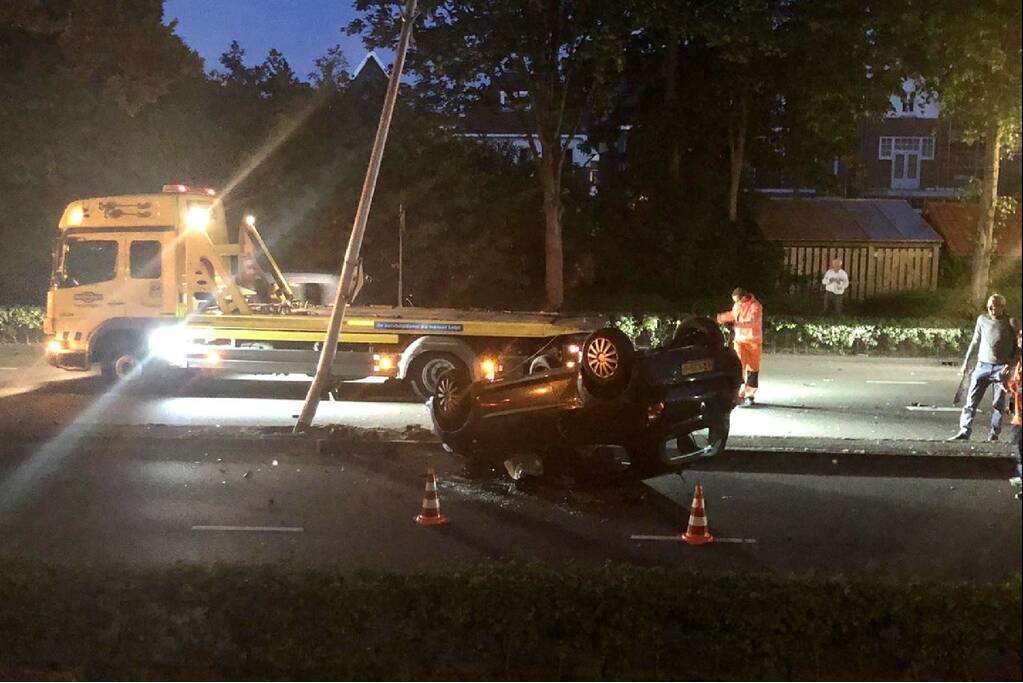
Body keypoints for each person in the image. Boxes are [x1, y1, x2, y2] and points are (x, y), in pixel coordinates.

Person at [948, 293, 1019, 441]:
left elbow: (1019, 347)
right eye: (990, 306)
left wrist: (1011, 364)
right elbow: (975, 341)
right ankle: (964, 431)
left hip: (1001, 368)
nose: (993, 309)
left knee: (998, 404)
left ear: (1003, 307)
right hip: (982, 365)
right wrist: (966, 362)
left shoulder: (1011, 322)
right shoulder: (982, 320)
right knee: (970, 402)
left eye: (996, 306)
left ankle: (994, 434)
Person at [716, 287, 763, 407]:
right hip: (740, 340)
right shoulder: (738, 305)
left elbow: (752, 320)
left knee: (753, 368)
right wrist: (720, 318)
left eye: (737, 300)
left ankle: (750, 394)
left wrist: (739, 324)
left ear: (743, 297)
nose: (736, 302)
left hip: (753, 341)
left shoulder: (755, 306)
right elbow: (733, 314)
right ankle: (739, 392)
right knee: (738, 365)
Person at [1003, 329, 1022, 497]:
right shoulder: (1019, 361)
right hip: (1019, 416)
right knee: (1019, 447)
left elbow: (1019, 386)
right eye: (1021, 336)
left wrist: (1011, 386)